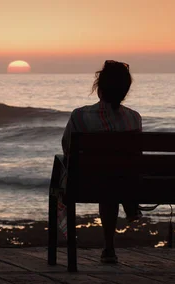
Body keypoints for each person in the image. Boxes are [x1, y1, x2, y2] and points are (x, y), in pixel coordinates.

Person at [61, 60, 142, 264]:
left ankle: (109, 247)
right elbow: (136, 156)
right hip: (126, 182)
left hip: (88, 184)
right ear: (125, 91)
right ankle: (129, 205)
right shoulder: (134, 118)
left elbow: (67, 148)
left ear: (99, 87)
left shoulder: (80, 116)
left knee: (106, 179)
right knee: (115, 176)